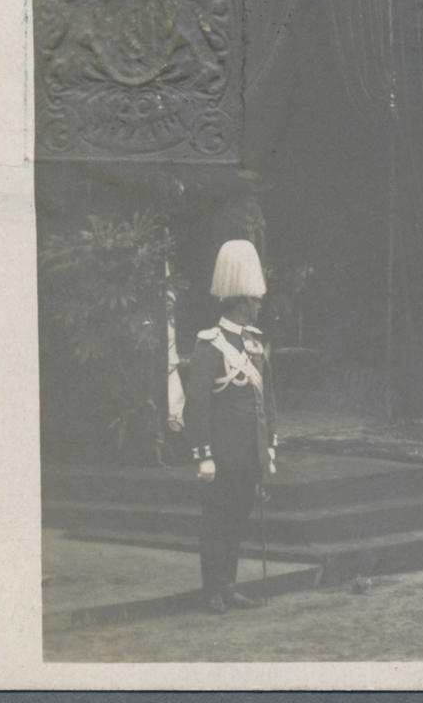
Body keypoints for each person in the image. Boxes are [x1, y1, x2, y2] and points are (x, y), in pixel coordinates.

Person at [181, 239, 278, 614]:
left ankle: (230, 586)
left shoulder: (252, 343)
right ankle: (212, 592)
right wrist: (203, 455)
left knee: (236, 522)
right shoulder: (210, 345)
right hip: (221, 456)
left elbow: (267, 399)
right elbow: (197, 405)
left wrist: (269, 444)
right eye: (254, 300)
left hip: (248, 453)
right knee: (215, 524)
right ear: (240, 301)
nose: (258, 305)